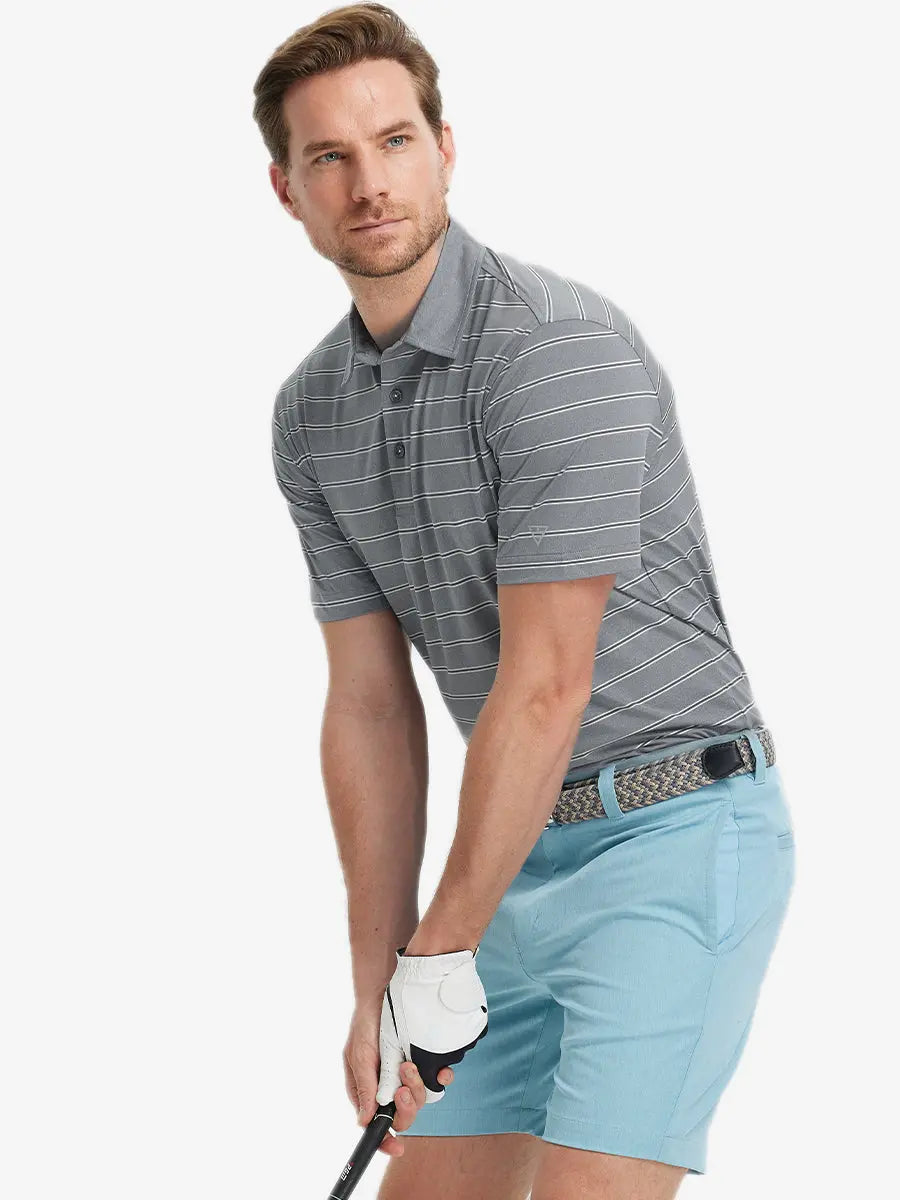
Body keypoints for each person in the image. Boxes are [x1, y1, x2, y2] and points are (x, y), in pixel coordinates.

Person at [253, 5, 796, 1197]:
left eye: (395, 141)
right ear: (286, 190)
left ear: (447, 150)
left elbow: (548, 685)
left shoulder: (555, 351)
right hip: (509, 856)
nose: (369, 184)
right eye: (329, 156)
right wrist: (383, 985)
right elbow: (369, 709)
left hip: (670, 836)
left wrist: (438, 955)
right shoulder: (311, 413)